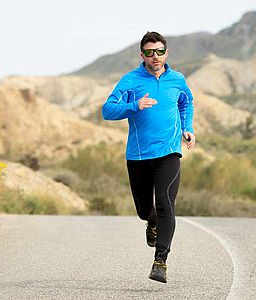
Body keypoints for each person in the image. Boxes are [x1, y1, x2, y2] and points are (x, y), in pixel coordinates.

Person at [102, 31, 196, 283]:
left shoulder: (177, 79)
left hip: (169, 153)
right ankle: (150, 221)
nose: (155, 57)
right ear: (142, 54)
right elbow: (107, 110)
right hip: (138, 155)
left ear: (167, 52)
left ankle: (160, 261)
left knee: (166, 204)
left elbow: (186, 103)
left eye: (159, 51)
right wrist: (134, 105)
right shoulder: (130, 80)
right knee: (145, 209)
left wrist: (188, 127)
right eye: (149, 52)